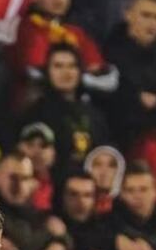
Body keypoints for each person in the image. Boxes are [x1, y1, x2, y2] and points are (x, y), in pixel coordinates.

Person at [10, 0, 118, 106]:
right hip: (37, 106)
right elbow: (38, 73)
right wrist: (81, 75)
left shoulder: (76, 32)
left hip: (77, 106)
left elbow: (99, 71)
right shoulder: (24, 29)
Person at [101, 0, 156, 149]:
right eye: (146, 15)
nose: (153, 24)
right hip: (122, 136)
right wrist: (136, 98)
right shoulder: (110, 52)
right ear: (127, 14)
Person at [21, 45, 111, 173]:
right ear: (47, 72)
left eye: (72, 66)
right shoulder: (35, 114)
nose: (66, 72)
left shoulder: (95, 114)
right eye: (58, 66)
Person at [0, 154, 70, 250]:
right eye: (13, 178)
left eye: (25, 178)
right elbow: (25, 243)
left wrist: (58, 243)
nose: (20, 186)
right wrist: (55, 237)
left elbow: (62, 232)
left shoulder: (31, 210)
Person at [60, 169, 115, 250]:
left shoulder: (108, 228)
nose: (80, 201)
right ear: (63, 197)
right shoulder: (50, 226)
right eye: (73, 194)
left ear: (95, 199)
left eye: (87, 195)